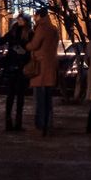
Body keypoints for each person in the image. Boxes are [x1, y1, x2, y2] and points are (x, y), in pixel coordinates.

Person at [25, 7, 59, 135]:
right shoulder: (54, 28)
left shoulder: (42, 28)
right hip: (50, 66)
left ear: (39, 16)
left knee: (40, 98)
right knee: (48, 98)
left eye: (35, 15)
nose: (34, 17)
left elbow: (34, 45)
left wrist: (26, 45)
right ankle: (49, 122)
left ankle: (41, 123)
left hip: (40, 67)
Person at [0, 14, 32, 132]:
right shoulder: (14, 32)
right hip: (15, 67)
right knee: (14, 96)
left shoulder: (28, 33)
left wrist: (24, 53)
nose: (19, 21)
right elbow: (0, 41)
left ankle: (15, 123)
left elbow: (31, 50)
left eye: (21, 19)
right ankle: (11, 123)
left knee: (17, 97)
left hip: (20, 68)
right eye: (18, 19)